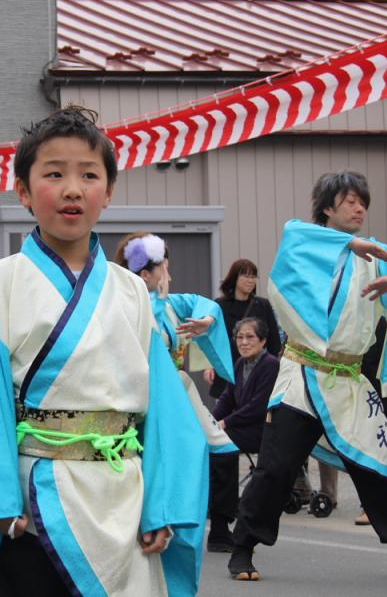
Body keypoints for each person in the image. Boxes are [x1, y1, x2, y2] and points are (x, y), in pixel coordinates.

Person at [0, 106, 208, 596]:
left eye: (89, 175)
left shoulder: (131, 291)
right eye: (53, 174)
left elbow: (165, 405)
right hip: (34, 496)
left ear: (109, 191)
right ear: (23, 190)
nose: (72, 189)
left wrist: (163, 501)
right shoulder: (0, 280)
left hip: (122, 494)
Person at [227, 170, 387, 583]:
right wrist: (348, 242)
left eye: (362, 201)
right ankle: (242, 548)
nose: (359, 207)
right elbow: (295, 233)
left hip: (348, 380)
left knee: (385, 465)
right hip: (302, 376)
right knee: (276, 467)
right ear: (328, 208)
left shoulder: (377, 253)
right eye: (349, 201)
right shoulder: (306, 244)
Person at [115, 231, 238, 554]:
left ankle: (219, 527)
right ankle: (150, 520)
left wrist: (207, 320)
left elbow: (206, 304)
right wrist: (158, 301)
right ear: (145, 275)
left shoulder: (174, 302)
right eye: (163, 269)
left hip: (178, 389)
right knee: (153, 456)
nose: (169, 274)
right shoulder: (124, 304)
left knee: (221, 449)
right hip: (145, 393)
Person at [210, 259, 281, 399]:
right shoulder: (219, 305)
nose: (251, 280)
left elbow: (274, 342)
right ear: (235, 278)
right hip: (227, 369)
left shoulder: (262, 305)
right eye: (246, 276)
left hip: (257, 369)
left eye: (253, 276)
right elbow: (210, 337)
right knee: (226, 407)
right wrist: (208, 366)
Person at [213, 318, 280, 455]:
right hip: (242, 426)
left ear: (263, 340)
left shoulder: (270, 365)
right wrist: (211, 421)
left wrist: (225, 422)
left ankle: (226, 477)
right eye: (240, 337)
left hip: (262, 429)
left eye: (250, 337)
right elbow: (227, 398)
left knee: (220, 440)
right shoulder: (240, 363)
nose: (244, 343)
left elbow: (258, 407)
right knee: (209, 435)